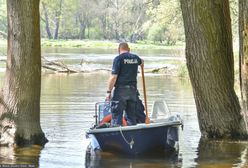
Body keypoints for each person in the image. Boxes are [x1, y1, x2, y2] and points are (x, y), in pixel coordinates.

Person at [106, 42, 143, 126]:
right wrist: (141, 63)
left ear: (118, 50)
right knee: (131, 116)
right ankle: (132, 135)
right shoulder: (135, 58)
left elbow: (113, 77)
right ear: (129, 50)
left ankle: (116, 135)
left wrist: (108, 92)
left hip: (120, 91)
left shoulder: (118, 59)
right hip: (133, 91)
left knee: (116, 115)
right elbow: (141, 62)